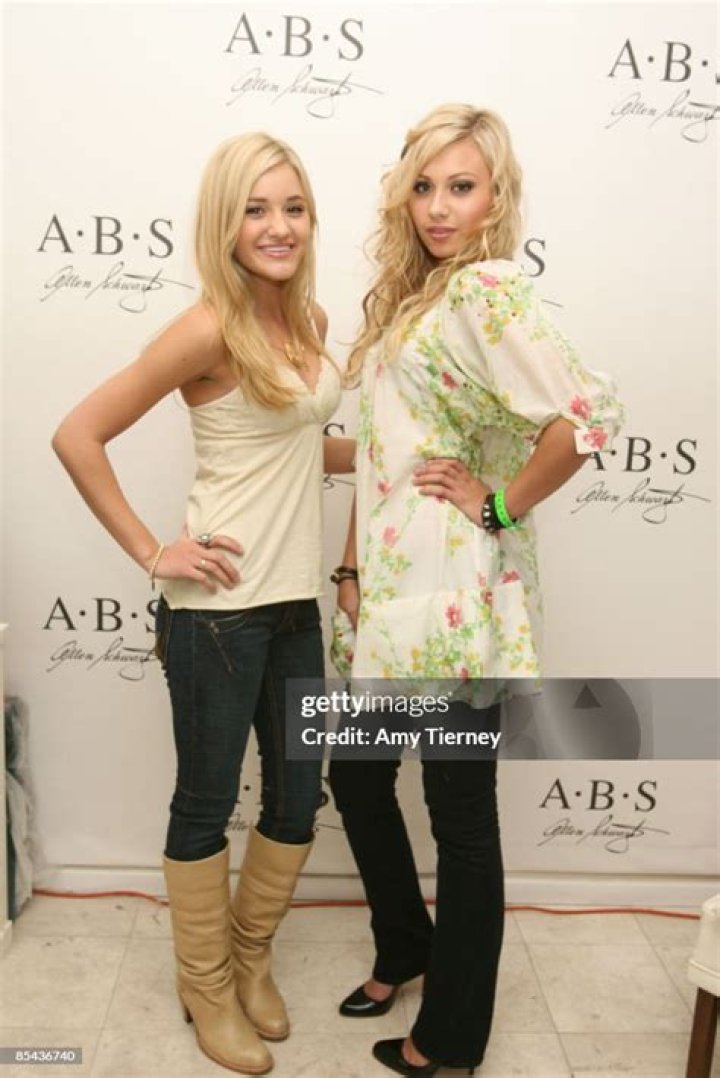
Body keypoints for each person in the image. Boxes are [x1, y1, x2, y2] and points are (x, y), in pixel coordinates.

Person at [328, 103, 623, 1076]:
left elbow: (586, 417)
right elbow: (383, 452)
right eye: (423, 186)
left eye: (461, 186)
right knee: (356, 775)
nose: (439, 207)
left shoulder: (487, 289)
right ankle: (406, 943)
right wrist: (350, 566)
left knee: (459, 816)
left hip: (454, 597)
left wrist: (497, 503)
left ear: (496, 197)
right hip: (388, 599)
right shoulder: (418, 300)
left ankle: (448, 1040)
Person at [52, 132, 354, 1076]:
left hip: (296, 604)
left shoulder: (310, 320)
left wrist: (400, 454)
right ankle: (206, 983)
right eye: (256, 209)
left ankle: (250, 956)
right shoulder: (206, 329)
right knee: (207, 800)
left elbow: (295, 443)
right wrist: (155, 551)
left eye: (292, 207)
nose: (278, 226)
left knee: (297, 800)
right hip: (214, 614)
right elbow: (77, 434)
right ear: (224, 224)